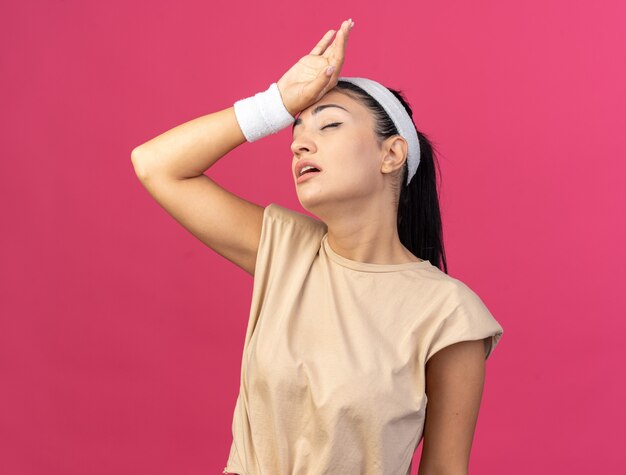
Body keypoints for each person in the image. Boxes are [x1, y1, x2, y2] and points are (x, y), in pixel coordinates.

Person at [131, 18, 504, 475]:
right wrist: (274, 104)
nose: (300, 145)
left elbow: (446, 469)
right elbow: (154, 165)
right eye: (294, 132)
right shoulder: (285, 249)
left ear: (392, 154)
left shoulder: (450, 315)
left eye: (328, 125)